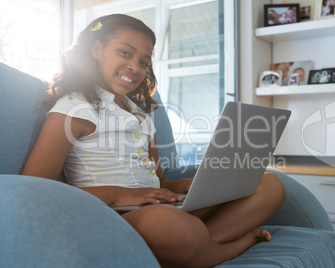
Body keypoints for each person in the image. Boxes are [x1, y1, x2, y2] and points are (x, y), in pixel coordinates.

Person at [22, 14, 286, 267]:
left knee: (271, 184)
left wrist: (191, 185)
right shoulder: (73, 109)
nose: (135, 67)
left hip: (162, 211)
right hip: (116, 218)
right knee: (168, 225)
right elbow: (35, 190)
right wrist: (119, 194)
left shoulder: (142, 115)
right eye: (125, 53)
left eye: (144, 62)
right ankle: (231, 246)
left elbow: (157, 182)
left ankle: (195, 246)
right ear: (96, 49)